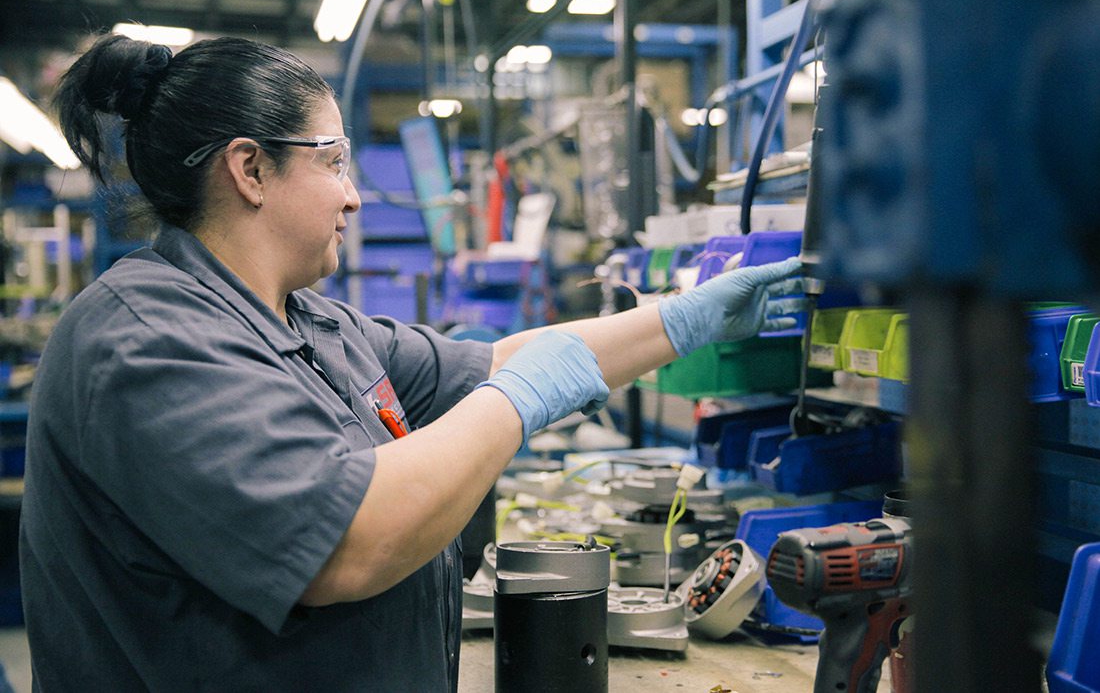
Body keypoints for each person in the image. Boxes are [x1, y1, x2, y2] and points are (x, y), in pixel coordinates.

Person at [21, 34, 805, 691]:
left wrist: (683, 318)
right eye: (332, 163)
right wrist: (515, 403)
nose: (354, 195)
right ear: (250, 169)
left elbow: (499, 360)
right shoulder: (142, 340)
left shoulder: (311, 322)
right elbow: (346, 545)